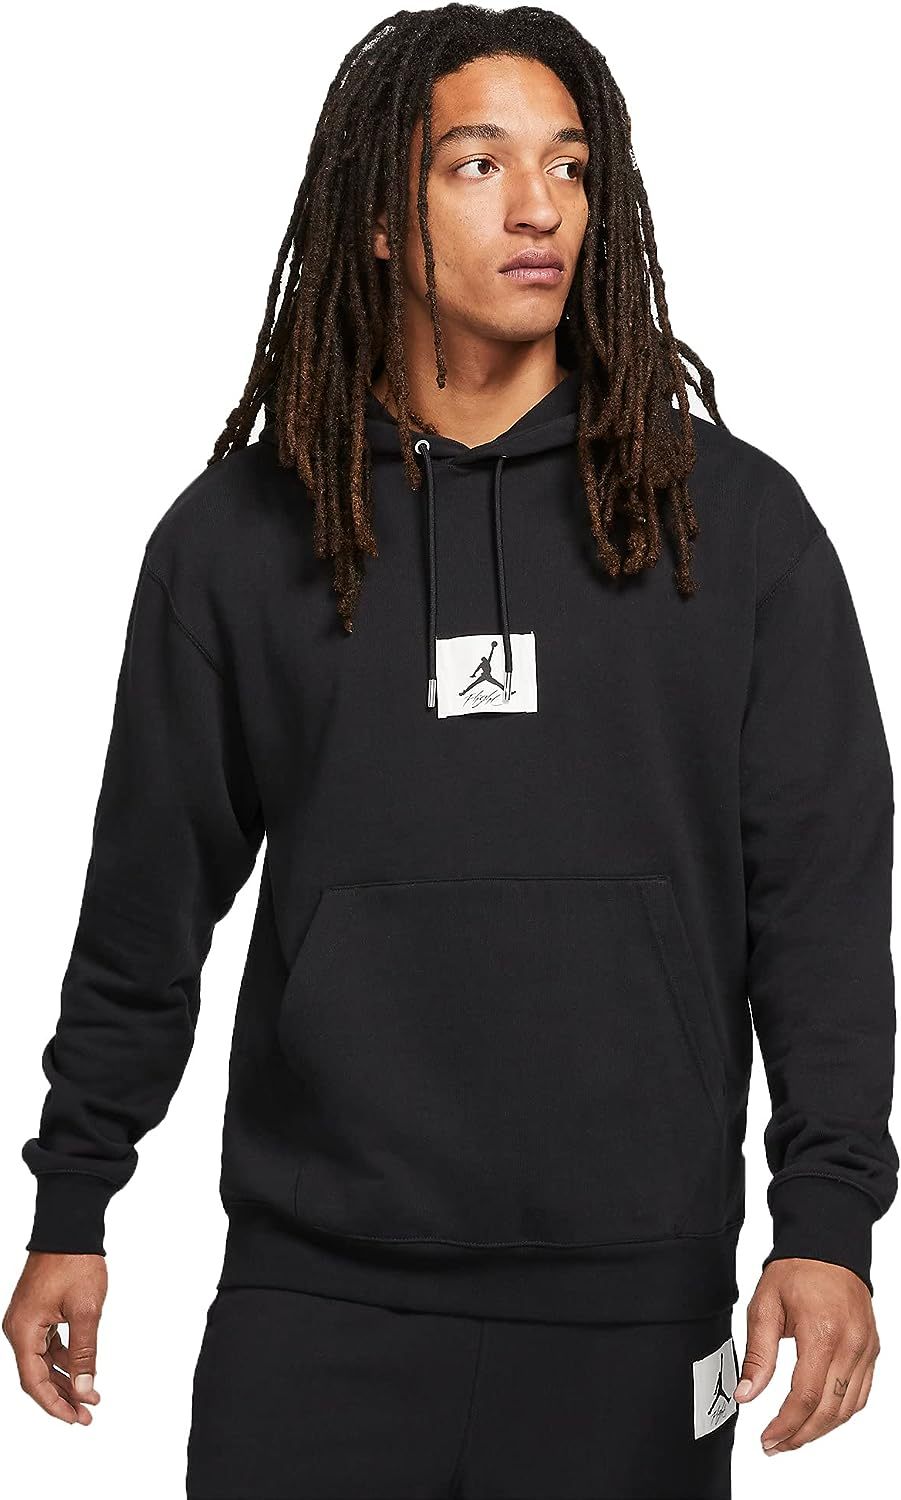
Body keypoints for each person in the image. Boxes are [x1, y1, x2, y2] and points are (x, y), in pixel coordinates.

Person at [4, 6, 896, 1498]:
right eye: (477, 163)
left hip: (634, 1295)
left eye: (570, 164)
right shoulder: (239, 537)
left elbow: (822, 905)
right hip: (316, 1293)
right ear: (376, 213)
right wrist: (73, 1201)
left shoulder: (731, 525)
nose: (540, 207)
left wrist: (827, 1225)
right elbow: (145, 902)